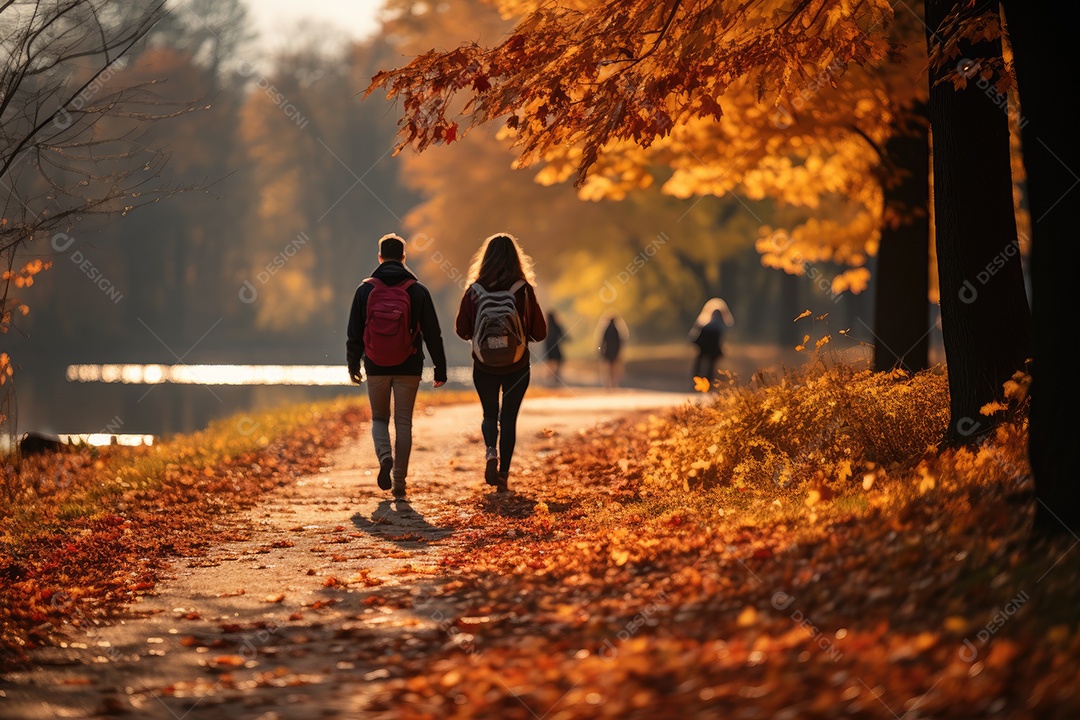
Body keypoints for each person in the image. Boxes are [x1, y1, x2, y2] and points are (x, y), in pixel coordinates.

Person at [347, 233, 447, 502]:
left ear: (379, 257)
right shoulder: (417, 290)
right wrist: (440, 368)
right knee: (404, 422)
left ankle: (385, 457)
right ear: (404, 257)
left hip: (376, 364)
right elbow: (433, 333)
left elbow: (354, 332)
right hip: (409, 363)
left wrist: (353, 364)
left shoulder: (365, 290)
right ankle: (399, 482)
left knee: (380, 418)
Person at [455, 233, 547, 492]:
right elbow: (540, 333)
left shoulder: (474, 291)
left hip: (484, 365)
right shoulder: (523, 289)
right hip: (517, 365)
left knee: (489, 414)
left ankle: (489, 453)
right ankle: (504, 474)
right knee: (508, 418)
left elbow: (462, 330)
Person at [689, 298, 734, 386]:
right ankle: (699, 381)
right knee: (705, 363)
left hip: (710, 347)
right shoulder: (711, 325)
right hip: (707, 347)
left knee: (708, 364)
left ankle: (705, 382)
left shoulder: (707, 324)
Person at [596, 312, 628, 388]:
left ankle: (608, 382)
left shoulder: (606, 330)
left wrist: (600, 350)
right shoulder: (618, 330)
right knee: (614, 367)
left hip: (608, 351)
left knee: (608, 367)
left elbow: (602, 341)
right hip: (615, 351)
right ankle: (613, 382)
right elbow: (621, 341)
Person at [544, 309, 566, 385]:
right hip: (555, 347)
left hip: (548, 348)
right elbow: (563, 335)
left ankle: (550, 377)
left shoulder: (545, 327)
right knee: (558, 361)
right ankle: (555, 377)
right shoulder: (556, 325)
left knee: (551, 363)